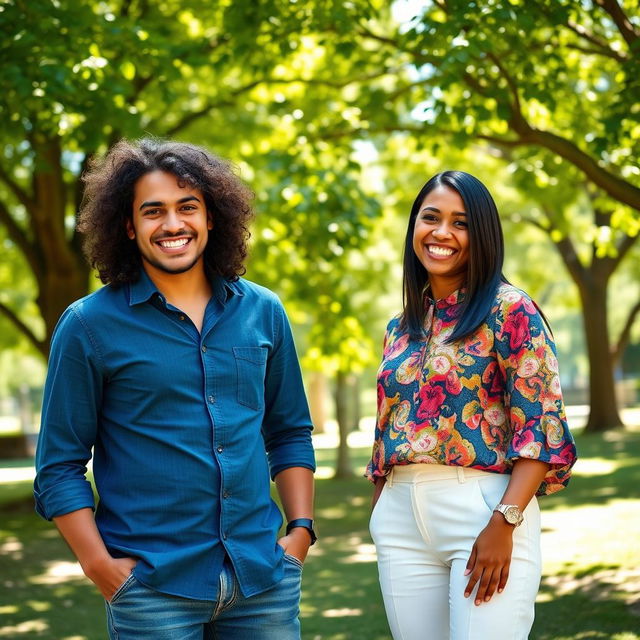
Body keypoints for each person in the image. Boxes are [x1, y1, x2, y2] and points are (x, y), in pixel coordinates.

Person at [34, 138, 316, 640]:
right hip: (151, 590)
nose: (172, 224)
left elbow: (289, 431)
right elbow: (58, 465)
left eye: (188, 207)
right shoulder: (88, 326)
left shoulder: (264, 311)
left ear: (211, 217)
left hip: (263, 582)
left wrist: (300, 532)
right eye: (153, 211)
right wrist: (99, 565)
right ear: (128, 225)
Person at [366, 170, 577, 640]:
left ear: (481, 235)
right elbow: (388, 427)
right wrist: (381, 508)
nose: (441, 233)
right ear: (414, 228)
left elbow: (541, 426)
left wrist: (506, 522)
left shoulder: (510, 309)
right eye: (430, 218)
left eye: (460, 223)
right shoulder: (401, 326)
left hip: (486, 509)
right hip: (402, 519)